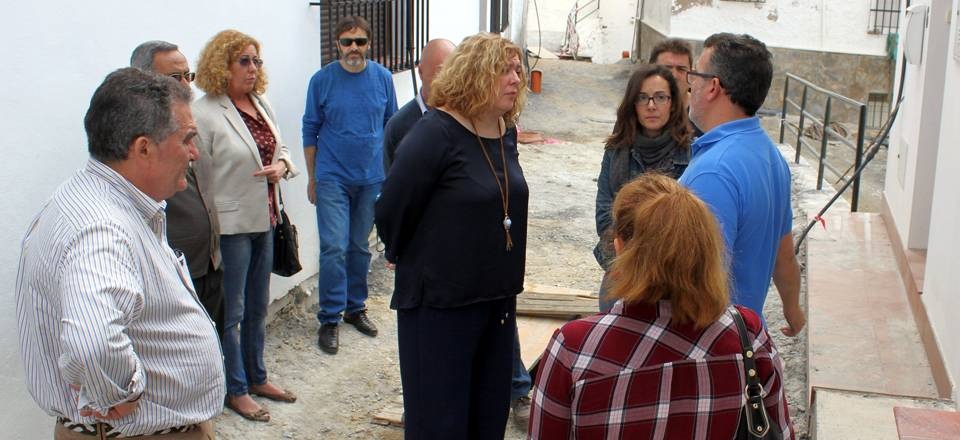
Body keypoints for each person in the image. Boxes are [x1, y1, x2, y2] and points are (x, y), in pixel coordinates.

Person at [15, 67, 224, 439]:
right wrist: (118, 395)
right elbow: (93, 338)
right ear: (143, 147)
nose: (194, 153)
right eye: (187, 139)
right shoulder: (102, 228)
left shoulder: (94, 198)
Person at [528, 174, 795, 439]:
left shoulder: (576, 346)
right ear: (705, 249)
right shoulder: (746, 334)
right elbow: (781, 431)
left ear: (620, 247)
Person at [375, 32, 528, 439]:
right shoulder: (434, 133)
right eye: (503, 69)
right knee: (440, 423)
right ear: (475, 74)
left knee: (486, 419)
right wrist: (413, 254)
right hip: (440, 307)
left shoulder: (504, 130)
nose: (516, 78)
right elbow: (391, 209)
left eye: (517, 69)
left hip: (496, 301)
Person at [193, 29, 300, 422]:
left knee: (258, 305)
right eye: (244, 61)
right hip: (232, 227)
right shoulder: (206, 113)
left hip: (267, 219)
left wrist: (283, 167)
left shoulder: (261, 102)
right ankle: (234, 388)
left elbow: (283, 147)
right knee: (233, 311)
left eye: (256, 60)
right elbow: (201, 178)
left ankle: (257, 376)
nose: (253, 68)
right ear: (222, 65)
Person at [681, 33, 805, 336]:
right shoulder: (769, 155)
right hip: (741, 343)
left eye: (694, 74)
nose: (689, 85)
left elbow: (696, 285)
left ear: (713, 86)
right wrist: (793, 310)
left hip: (709, 350)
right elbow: (784, 256)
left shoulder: (713, 173)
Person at [302, 15, 398, 354]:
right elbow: (310, 128)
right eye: (347, 41)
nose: (353, 47)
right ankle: (329, 317)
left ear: (369, 44)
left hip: (371, 178)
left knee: (359, 246)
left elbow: (392, 127)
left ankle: (355, 308)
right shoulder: (322, 81)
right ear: (337, 45)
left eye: (359, 41)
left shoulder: (383, 78)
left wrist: (391, 177)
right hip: (332, 177)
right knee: (333, 247)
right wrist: (312, 177)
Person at [131, 40, 224, 340]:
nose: (186, 84)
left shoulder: (189, 120)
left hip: (210, 260)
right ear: (144, 79)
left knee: (215, 343)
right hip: (172, 272)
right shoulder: (134, 137)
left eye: (188, 75)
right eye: (175, 78)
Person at [595, 64, 691, 312]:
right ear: (632, 104)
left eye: (660, 97)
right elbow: (605, 215)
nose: (651, 105)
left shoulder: (690, 153)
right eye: (643, 98)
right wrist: (627, 265)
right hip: (622, 263)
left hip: (672, 273)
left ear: (672, 103)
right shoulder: (615, 150)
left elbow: (685, 224)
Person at [382, 38, 455, 170]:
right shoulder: (398, 126)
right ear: (421, 72)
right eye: (439, 72)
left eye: (452, 73)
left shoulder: (469, 117)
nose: (446, 81)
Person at [648, 38, 694, 107]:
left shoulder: (703, 112)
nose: (674, 76)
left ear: (691, 75)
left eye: (681, 69)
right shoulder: (637, 111)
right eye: (666, 69)